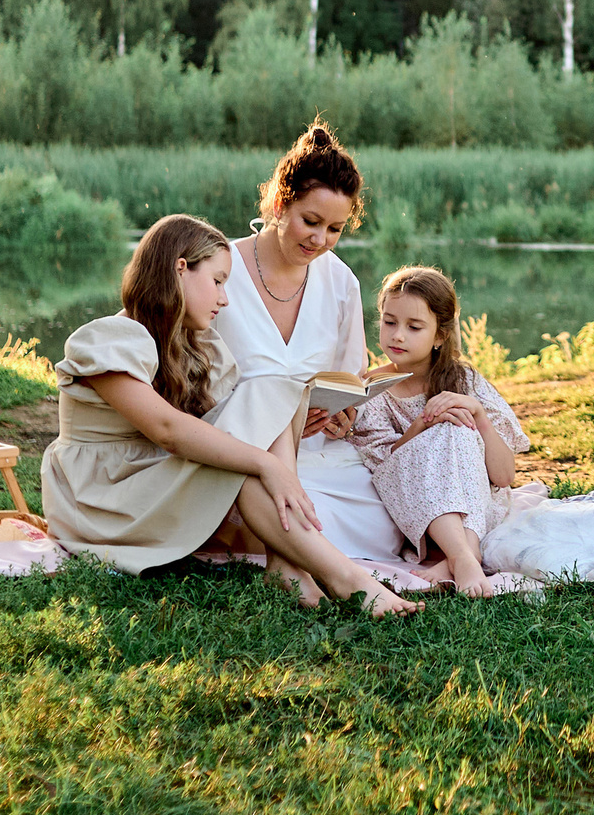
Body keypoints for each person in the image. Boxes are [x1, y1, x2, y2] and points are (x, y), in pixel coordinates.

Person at [41, 213, 419, 616]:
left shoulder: (195, 346)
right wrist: (268, 465)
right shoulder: (109, 338)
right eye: (218, 281)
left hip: (150, 481)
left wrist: (296, 419)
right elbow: (167, 429)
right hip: (103, 499)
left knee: (272, 391)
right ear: (180, 269)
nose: (225, 298)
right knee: (247, 456)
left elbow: (239, 413)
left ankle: (288, 565)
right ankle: (346, 579)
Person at [211, 122, 405, 602]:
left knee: (373, 517)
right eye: (310, 221)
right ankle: (304, 560)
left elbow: (349, 379)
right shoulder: (219, 270)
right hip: (234, 441)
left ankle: (289, 554)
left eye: (334, 229)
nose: (319, 239)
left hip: (312, 448)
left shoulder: (340, 283)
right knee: (275, 487)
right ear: (280, 203)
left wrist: (340, 416)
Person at [352, 265, 531, 599]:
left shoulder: (466, 382)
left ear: (440, 335)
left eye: (414, 326)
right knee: (445, 427)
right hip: (416, 506)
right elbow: (387, 469)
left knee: (459, 425)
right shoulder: (373, 390)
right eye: (389, 322)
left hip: (475, 506)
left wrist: (478, 416)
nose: (398, 335)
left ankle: (464, 554)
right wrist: (422, 424)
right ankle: (464, 556)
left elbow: (505, 476)